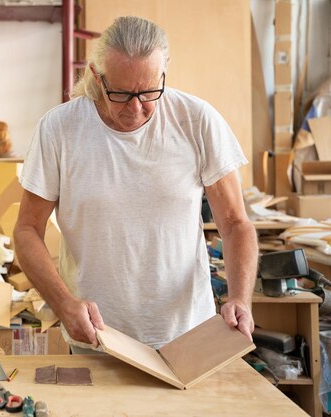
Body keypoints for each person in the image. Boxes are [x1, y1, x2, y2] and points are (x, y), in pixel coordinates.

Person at [14, 16, 258, 351]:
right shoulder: (60, 130)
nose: (136, 108)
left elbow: (234, 223)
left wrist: (240, 298)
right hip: (98, 338)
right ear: (98, 78)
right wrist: (63, 303)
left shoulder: (198, 121)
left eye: (148, 92)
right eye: (122, 93)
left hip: (187, 336)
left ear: (164, 72)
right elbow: (27, 230)